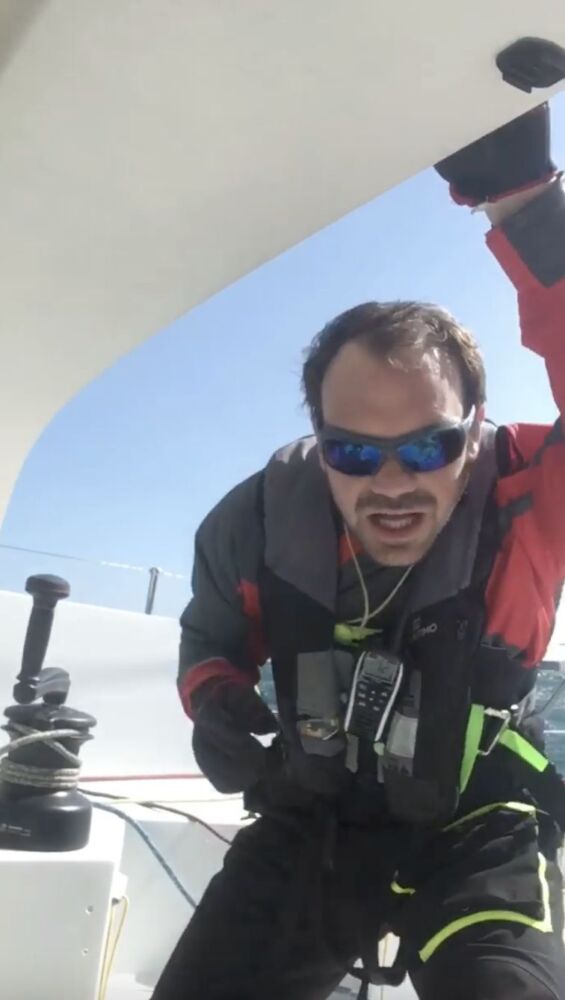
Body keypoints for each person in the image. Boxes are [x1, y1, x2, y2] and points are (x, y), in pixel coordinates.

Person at [153, 104, 565, 1000]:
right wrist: (214, 698)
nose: (391, 482)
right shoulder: (254, 521)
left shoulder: (533, 492)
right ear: (317, 438)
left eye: (428, 446)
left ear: (475, 431)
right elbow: (209, 636)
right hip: (313, 815)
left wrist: (527, 205)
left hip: (477, 822)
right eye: (351, 451)